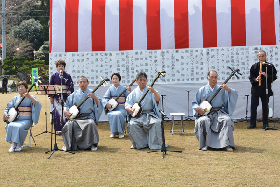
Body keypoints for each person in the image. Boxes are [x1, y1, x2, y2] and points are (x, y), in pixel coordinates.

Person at [192, 70, 238, 151]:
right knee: (203, 120)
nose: (214, 79)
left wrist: (228, 89)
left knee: (227, 120)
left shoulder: (222, 88)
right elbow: (195, 103)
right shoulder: (201, 90)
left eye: (216, 77)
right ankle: (205, 144)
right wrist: (198, 109)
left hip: (219, 111)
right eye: (212, 77)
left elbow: (234, 94)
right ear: (207, 78)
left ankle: (226, 144)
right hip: (206, 113)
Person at [62, 76, 103, 151]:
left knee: (91, 123)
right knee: (69, 124)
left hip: (88, 117)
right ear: (78, 83)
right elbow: (66, 105)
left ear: (88, 83)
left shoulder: (92, 92)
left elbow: (99, 104)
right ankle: (70, 145)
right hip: (76, 117)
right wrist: (65, 111)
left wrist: (95, 98)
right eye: (80, 82)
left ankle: (92, 144)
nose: (82, 84)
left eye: (84, 82)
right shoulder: (74, 94)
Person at [125, 72, 162, 150]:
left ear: (146, 81)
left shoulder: (150, 90)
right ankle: (140, 144)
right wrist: (129, 109)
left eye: (144, 80)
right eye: (140, 80)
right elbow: (127, 104)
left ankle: (154, 144)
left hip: (150, 114)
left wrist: (154, 92)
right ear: (136, 81)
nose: (142, 82)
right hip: (138, 115)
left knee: (156, 122)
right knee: (132, 124)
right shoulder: (134, 92)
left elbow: (158, 100)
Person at [3, 81, 42, 152]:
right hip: (17, 119)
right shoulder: (15, 98)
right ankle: (13, 144)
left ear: (26, 88)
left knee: (19, 127)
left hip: (27, 120)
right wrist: (5, 113)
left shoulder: (31, 97)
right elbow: (8, 107)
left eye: (22, 87)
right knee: (10, 125)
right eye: (18, 87)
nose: (20, 88)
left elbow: (37, 104)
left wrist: (29, 97)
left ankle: (18, 144)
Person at [247, 50, 277, 129]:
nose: (261, 58)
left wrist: (266, 75)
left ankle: (265, 124)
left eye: (263, 56)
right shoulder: (254, 66)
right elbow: (251, 78)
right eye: (259, 56)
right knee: (253, 107)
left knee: (265, 107)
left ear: (266, 56)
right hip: (255, 90)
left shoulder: (270, 66)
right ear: (257, 57)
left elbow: (274, 77)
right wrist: (256, 79)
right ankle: (253, 123)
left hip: (265, 89)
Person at [102, 73, 132, 138]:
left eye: (116, 79)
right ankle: (113, 132)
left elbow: (130, 98)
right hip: (113, 108)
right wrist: (107, 104)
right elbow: (104, 98)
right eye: (113, 79)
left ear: (119, 80)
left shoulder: (124, 88)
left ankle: (121, 132)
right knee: (111, 114)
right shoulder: (110, 89)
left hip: (122, 108)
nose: (115, 80)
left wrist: (130, 90)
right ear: (112, 80)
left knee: (118, 114)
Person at [49, 60, 74, 134]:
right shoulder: (53, 76)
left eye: (62, 66)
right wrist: (51, 97)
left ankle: (66, 128)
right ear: (56, 67)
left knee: (65, 111)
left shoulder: (68, 76)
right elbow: (51, 86)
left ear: (64, 67)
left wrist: (69, 91)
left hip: (65, 97)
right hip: (56, 97)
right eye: (59, 66)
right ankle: (59, 129)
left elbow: (71, 85)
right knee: (57, 113)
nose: (61, 67)